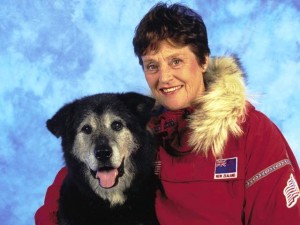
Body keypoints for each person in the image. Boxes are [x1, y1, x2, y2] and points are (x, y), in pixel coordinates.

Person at [35, 2, 300, 225]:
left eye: (176, 61)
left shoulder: (251, 131)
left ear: (203, 60)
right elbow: (76, 175)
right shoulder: (144, 126)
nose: (164, 78)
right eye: (152, 66)